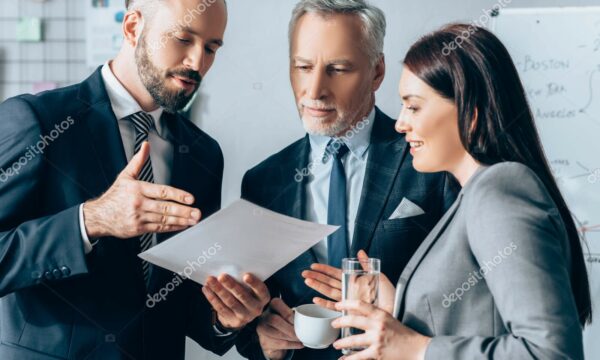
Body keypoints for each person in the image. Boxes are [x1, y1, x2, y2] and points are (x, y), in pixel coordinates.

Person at [0, 1, 269, 359]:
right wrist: (92, 220)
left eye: (210, 48)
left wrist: (226, 317)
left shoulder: (203, 153)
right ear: (132, 27)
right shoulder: (38, 121)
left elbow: (185, 302)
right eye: (182, 38)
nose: (196, 62)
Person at [311, 23, 592, 360]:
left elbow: (552, 353)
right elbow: (474, 316)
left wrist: (416, 349)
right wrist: (396, 306)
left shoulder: (499, 190)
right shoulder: (473, 195)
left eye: (413, 106)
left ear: (469, 116)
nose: (400, 123)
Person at [235, 1, 456, 359]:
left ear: (377, 71)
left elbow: (469, 299)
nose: (315, 90)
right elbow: (256, 312)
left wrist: (398, 310)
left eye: (337, 69)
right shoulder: (262, 182)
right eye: (303, 67)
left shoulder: (431, 161)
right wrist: (263, 340)